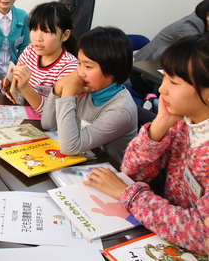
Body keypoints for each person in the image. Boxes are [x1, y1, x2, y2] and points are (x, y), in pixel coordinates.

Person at [83, 33, 209, 255]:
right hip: (164, 230)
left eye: (174, 82)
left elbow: (202, 235)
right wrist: (159, 126)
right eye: (165, 77)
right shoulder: (183, 123)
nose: (162, 89)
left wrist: (131, 195)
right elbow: (133, 173)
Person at [40, 26, 138, 164]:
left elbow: (70, 147)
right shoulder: (87, 87)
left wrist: (68, 93)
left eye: (88, 66)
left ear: (112, 71)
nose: (80, 72)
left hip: (108, 172)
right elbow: (48, 124)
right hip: (83, 160)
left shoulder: (121, 109)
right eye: (79, 63)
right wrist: (59, 86)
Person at [3, 2, 78, 114]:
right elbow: (14, 85)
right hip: (24, 113)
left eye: (46, 31)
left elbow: (52, 113)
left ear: (65, 35)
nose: (38, 38)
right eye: (34, 29)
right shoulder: (30, 51)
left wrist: (24, 87)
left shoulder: (70, 67)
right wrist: (7, 86)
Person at [132, 0, 209, 96]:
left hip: (164, 71)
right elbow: (201, 53)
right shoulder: (187, 26)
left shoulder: (203, 25)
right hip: (143, 74)